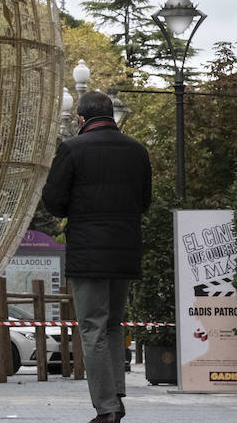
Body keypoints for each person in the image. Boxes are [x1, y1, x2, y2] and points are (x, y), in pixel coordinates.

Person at [42, 90, 151, 423]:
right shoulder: (136, 151)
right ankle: (116, 398)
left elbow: (53, 201)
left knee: (92, 327)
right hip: (124, 250)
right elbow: (144, 202)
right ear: (112, 115)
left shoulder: (72, 149)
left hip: (88, 253)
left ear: (80, 118)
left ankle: (106, 409)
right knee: (114, 325)